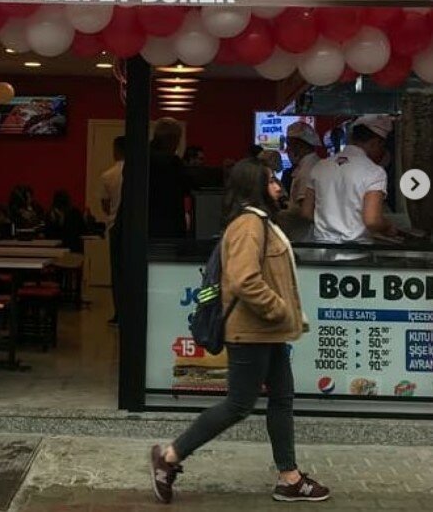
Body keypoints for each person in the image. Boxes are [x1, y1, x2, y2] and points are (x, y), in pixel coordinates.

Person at [149, 158, 330, 505]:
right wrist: (280, 309)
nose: (278, 186)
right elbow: (245, 280)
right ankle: (169, 457)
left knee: (282, 399)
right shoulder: (249, 225)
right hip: (252, 331)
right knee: (238, 405)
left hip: (268, 332)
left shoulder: (260, 222)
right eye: (271, 181)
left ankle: (289, 478)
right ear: (255, 186)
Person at [302, 115, 397, 243]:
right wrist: (388, 227)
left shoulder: (320, 166)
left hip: (322, 248)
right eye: (381, 147)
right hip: (356, 249)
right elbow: (372, 221)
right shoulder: (374, 172)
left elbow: (306, 213)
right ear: (375, 142)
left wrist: (329, 224)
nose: (381, 152)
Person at [149, 118, 192, 239]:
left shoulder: (139, 157)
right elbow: (186, 187)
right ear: (171, 139)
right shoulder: (171, 162)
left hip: (141, 227)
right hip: (167, 228)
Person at [278, 122, 321, 242]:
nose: (287, 150)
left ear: (300, 145)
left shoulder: (308, 169)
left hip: (306, 237)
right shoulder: (308, 165)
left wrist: (283, 212)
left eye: (289, 145)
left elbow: (305, 209)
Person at [100, 136, 125, 325]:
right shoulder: (141, 173)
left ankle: (119, 312)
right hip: (135, 228)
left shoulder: (108, 175)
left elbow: (105, 205)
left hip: (115, 225)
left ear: (116, 150)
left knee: (117, 271)